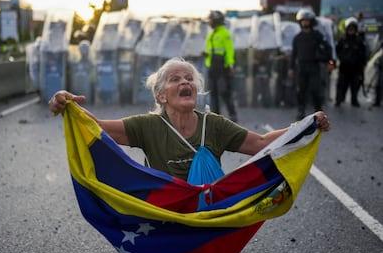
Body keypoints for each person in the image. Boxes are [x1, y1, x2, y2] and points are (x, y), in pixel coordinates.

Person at [49, 57, 330, 181]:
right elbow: (95, 128)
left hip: (207, 216)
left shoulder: (214, 124)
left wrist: (305, 125)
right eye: (175, 79)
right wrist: (65, 102)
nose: (186, 82)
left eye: (189, 79)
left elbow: (260, 143)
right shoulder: (147, 126)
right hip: (165, 216)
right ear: (161, 96)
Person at [289, 8, 332, 120]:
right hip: (302, 67)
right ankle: (301, 110)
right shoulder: (297, 38)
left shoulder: (317, 35)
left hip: (314, 66)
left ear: (311, 21)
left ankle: (319, 112)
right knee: (301, 90)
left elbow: (328, 48)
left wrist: (329, 61)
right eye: (303, 20)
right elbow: (293, 54)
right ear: (300, 22)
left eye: (307, 20)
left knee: (315, 90)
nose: (305, 22)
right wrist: (291, 68)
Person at [204, 10, 237, 122]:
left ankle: (233, 115)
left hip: (222, 66)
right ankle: (215, 115)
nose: (209, 22)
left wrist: (230, 65)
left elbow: (229, 50)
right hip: (212, 66)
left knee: (224, 92)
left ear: (217, 20)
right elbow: (210, 49)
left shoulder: (224, 33)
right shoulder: (212, 34)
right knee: (213, 92)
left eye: (211, 20)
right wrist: (206, 54)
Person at [335, 17, 367, 107]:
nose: (351, 30)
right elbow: (337, 50)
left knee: (355, 85)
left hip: (356, 68)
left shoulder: (359, 41)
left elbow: (364, 53)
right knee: (341, 85)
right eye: (349, 28)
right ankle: (339, 100)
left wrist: (363, 64)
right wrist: (342, 58)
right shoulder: (342, 40)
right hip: (344, 67)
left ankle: (354, 100)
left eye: (353, 28)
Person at [373, 42, 383, 107]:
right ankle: (377, 101)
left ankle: (378, 101)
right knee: (379, 86)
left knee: (379, 85)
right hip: (381, 68)